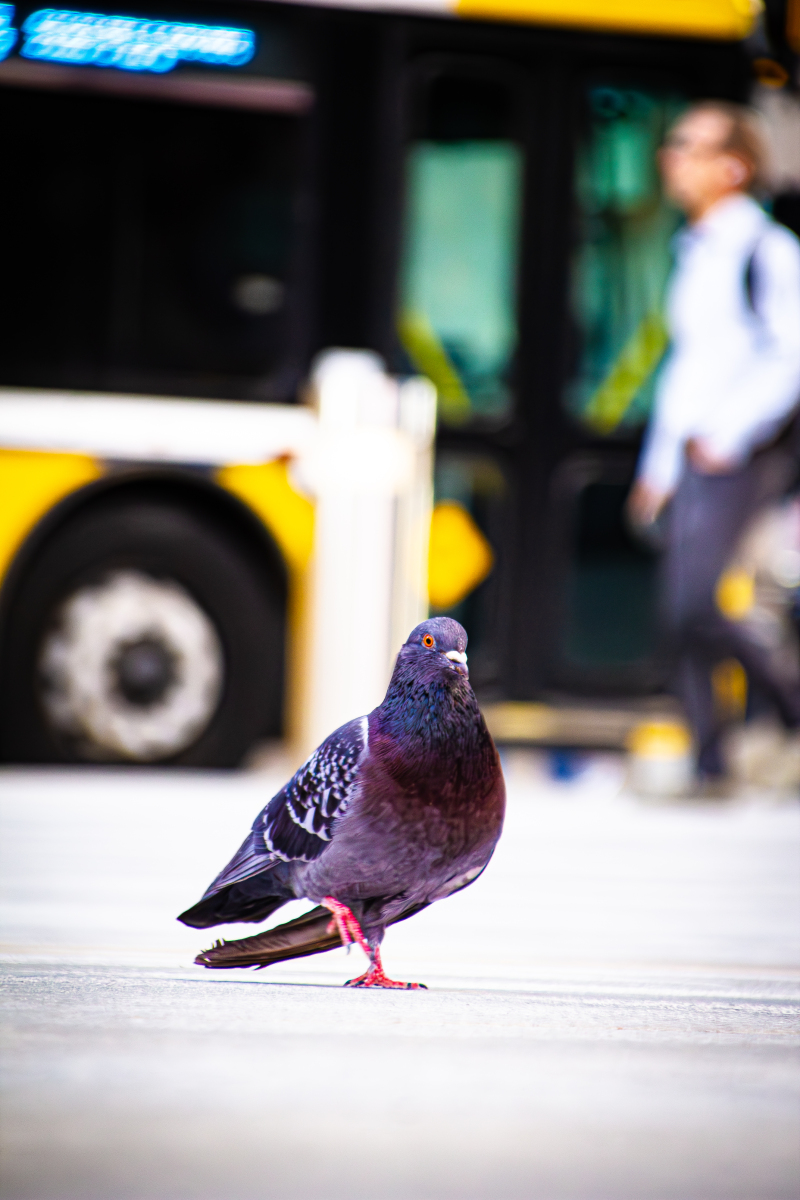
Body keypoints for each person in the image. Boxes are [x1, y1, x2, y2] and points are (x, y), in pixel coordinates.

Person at [627, 100, 800, 784]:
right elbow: (688, 369)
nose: (672, 157)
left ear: (735, 166)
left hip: (738, 453)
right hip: (694, 453)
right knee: (679, 608)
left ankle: (788, 708)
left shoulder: (768, 249)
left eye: (688, 145)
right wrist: (659, 467)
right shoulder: (694, 248)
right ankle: (709, 762)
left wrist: (729, 436)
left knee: (696, 602)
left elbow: (791, 357)